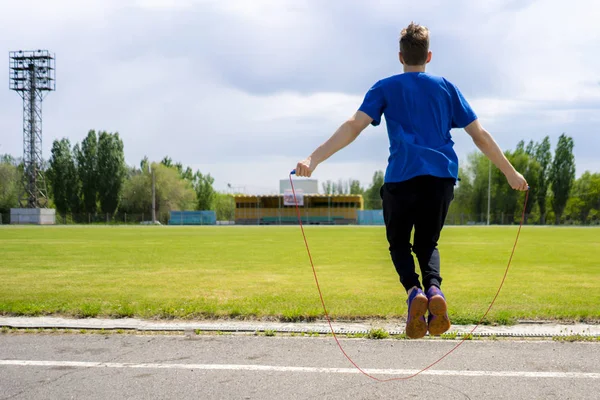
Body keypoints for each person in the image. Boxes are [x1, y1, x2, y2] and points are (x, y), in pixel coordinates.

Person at [294, 22, 529, 339]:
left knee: (399, 245)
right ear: (428, 56)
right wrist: (510, 172)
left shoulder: (385, 87)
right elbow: (481, 136)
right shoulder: (446, 87)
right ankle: (435, 292)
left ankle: (413, 291)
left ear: (400, 56)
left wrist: (313, 159)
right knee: (427, 244)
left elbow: (353, 126)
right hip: (440, 179)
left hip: (402, 177)